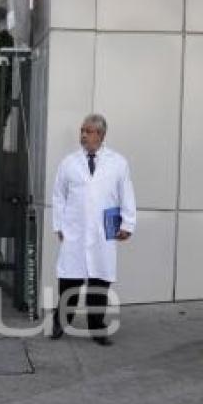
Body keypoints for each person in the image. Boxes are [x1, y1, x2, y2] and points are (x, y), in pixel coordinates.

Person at [51, 114, 136, 346]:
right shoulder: (69, 162)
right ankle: (60, 322)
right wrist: (58, 225)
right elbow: (58, 196)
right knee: (69, 281)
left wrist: (128, 224)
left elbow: (126, 194)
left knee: (99, 283)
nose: (82, 135)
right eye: (81, 130)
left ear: (100, 134)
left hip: (102, 232)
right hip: (75, 231)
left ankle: (98, 329)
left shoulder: (118, 162)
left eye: (87, 131)